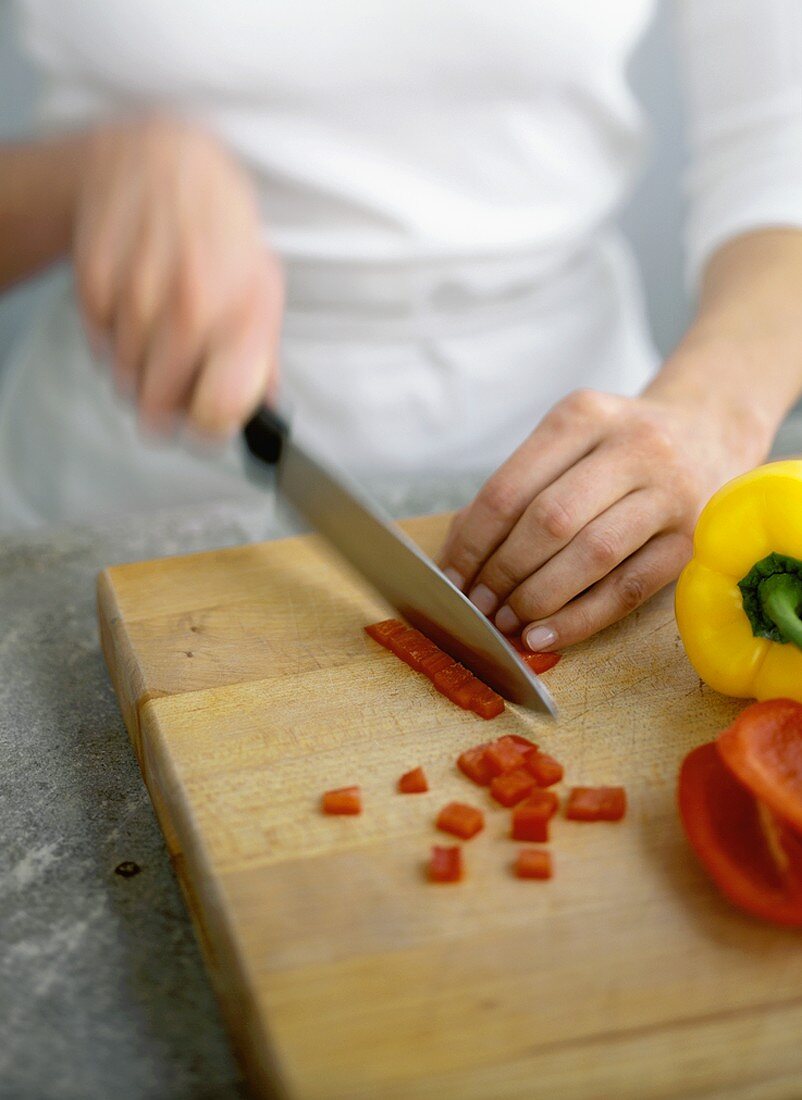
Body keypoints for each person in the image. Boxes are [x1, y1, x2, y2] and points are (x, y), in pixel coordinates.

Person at [1, 1, 801, 655]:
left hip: (599, 501)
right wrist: (79, 177)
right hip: (112, 510)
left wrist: (713, 410)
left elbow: (782, 153)